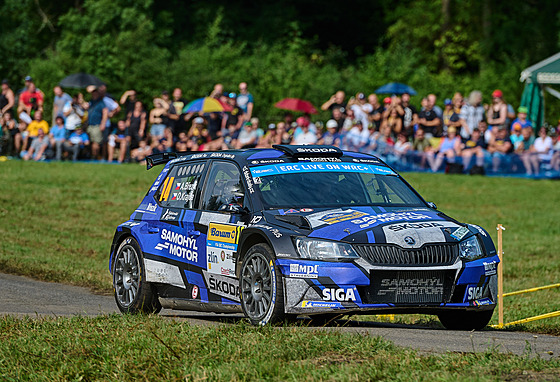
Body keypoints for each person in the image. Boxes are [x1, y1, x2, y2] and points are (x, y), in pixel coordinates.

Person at [85, 86, 108, 159]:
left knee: (96, 142)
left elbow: (105, 112)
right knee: (90, 142)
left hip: (97, 125)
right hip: (90, 125)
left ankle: (95, 157)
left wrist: (103, 123)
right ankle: (92, 155)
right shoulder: (91, 102)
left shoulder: (101, 102)